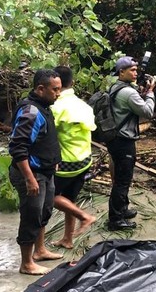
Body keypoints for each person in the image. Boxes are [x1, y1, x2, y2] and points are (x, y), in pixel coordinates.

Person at [9, 69, 63, 275]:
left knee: (44, 211)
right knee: (31, 215)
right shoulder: (31, 111)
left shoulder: (44, 106)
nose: (59, 93)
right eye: (55, 90)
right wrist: (30, 178)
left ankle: (40, 250)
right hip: (32, 174)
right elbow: (17, 147)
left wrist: (52, 162)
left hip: (45, 171)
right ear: (41, 89)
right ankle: (26, 263)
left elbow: (43, 139)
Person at [106, 56, 156, 231]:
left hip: (115, 138)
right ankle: (115, 219)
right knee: (122, 180)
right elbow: (148, 112)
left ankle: (122, 209)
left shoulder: (115, 87)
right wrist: (150, 93)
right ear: (121, 72)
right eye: (132, 70)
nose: (136, 73)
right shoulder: (128, 92)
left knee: (122, 178)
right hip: (124, 140)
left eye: (136, 70)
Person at [50, 66, 97, 249]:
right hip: (85, 160)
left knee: (49, 198)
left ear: (56, 84)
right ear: (73, 83)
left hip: (65, 163)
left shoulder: (55, 107)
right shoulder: (84, 105)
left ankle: (84, 216)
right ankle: (67, 239)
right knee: (69, 200)